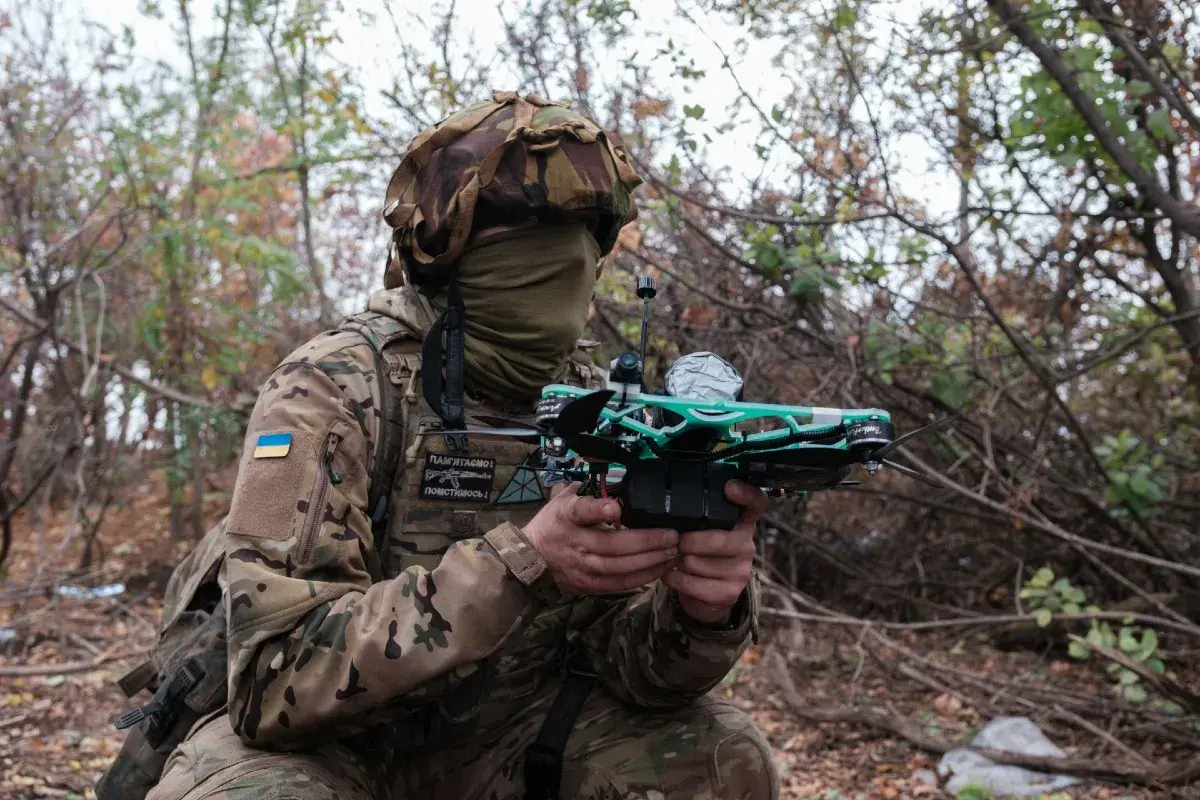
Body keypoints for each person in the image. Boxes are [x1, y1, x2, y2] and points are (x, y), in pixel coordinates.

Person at [141, 91, 779, 800]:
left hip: (513, 739)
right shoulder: (334, 388)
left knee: (720, 756)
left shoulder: (594, 407)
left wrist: (701, 611)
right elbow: (272, 681)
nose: (557, 265)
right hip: (337, 750)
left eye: (578, 235)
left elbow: (633, 672)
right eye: (523, 234)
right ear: (445, 257)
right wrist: (525, 564)